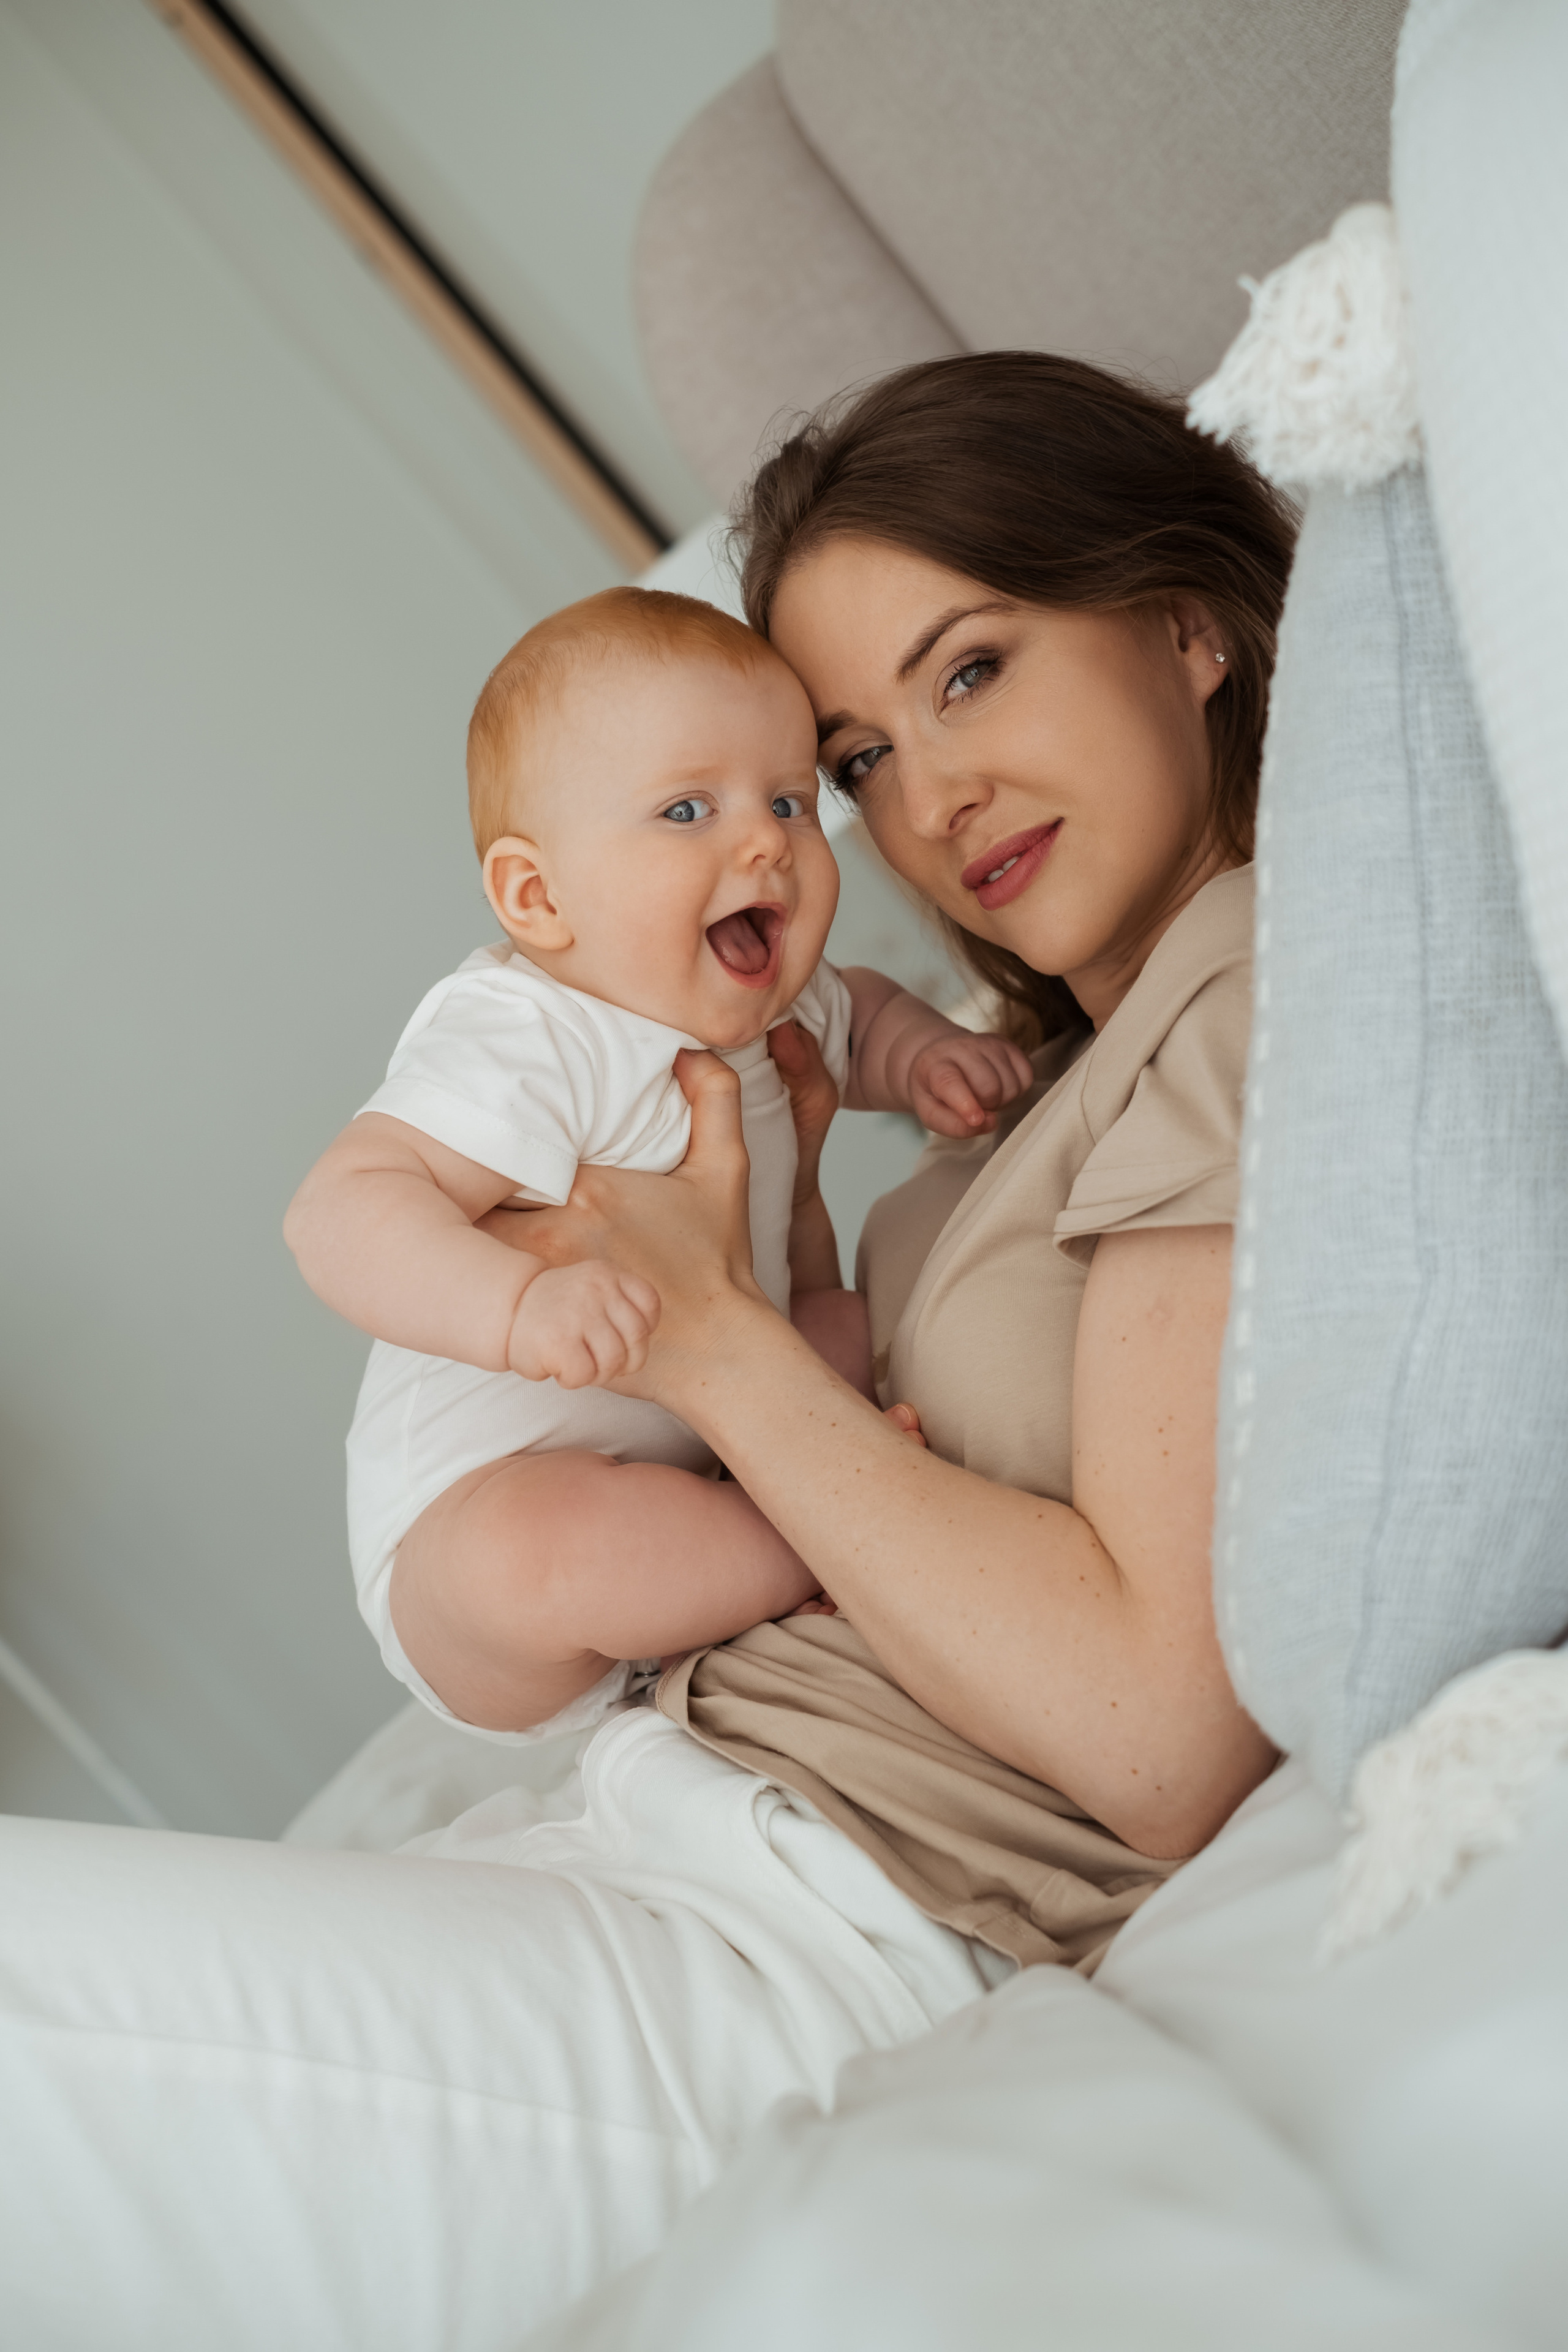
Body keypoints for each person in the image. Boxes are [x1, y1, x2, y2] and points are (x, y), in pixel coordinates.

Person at [0, 353, 1297, 2346]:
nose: (921, 803)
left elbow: (1154, 1737)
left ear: (1189, 628)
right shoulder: (1047, 1069)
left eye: (972, 672)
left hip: (820, 1930)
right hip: (669, 1821)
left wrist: (702, 1336)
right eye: (859, 757)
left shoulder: (1243, 991)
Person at [284, 585, 1028, 1742]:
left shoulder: (778, 1005)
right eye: (688, 809)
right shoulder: (532, 1027)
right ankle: (817, 1538)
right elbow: (340, 1211)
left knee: (845, 1325)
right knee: (539, 1552)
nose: (765, 841)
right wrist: (519, 1305)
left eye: (790, 800)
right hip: (470, 1534)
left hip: (710, 1444)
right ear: (539, 897)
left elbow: (865, 1014)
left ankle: (798, 1523)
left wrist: (925, 1055)